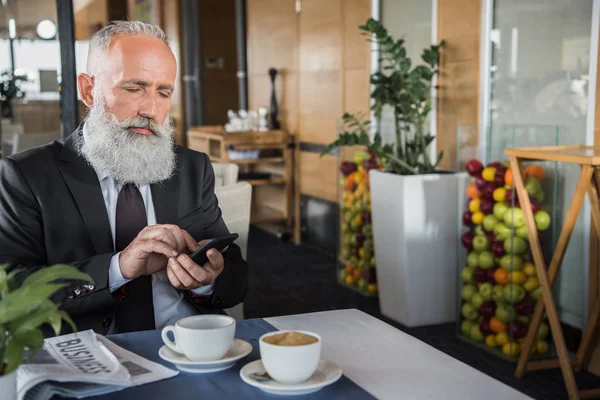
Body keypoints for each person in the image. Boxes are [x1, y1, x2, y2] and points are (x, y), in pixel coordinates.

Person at [0, 21, 248, 335]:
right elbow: (12, 292)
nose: (151, 108)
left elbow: (236, 277)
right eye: (134, 88)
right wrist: (119, 268)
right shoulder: (26, 176)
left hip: (188, 345)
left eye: (163, 92)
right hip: (88, 353)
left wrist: (209, 279)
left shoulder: (192, 168)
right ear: (88, 90)